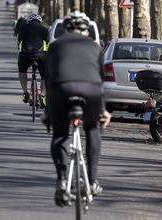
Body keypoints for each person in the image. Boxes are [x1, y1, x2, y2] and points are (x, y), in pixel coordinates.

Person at [44, 11, 111, 206]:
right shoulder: (96, 47)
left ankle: (62, 181)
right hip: (91, 92)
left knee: (59, 135)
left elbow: (49, 80)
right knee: (92, 129)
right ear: (87, 31)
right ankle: (92, 180)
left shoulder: (55, 46)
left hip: (61, 90)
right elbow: (100, 81)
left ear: (65, 29)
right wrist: (103, 110)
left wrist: (47, 112)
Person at [16, 13, 48, 105]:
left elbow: (19, 44)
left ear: (28, 21)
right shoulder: (44, 29)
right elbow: (48, 44)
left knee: (22, 71)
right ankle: (42, 96)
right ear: (39, 21)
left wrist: (21, 49)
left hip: (26, 55)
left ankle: (25, 92)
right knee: (44, 75)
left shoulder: (23, 29)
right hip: (40, 55)